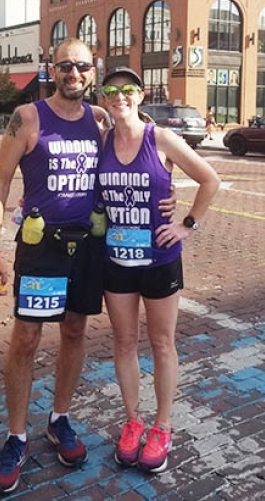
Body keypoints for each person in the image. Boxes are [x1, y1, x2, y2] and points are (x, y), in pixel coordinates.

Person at [0, 39, 174, 493]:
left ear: (93, 71)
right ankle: (16, 436)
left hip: (88, 245)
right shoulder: (27, 118)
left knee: (74, 331)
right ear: (52, 69)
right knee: (27, 337)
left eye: (82, 66)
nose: (74, 73)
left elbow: (144, 149)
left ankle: (59, 418)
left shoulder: (101, 119)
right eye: (65, 65)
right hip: (42, 246)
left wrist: (169, 197)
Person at [97, 67, 220, 473]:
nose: (120, 97)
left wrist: (186, 224)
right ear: (104, 98)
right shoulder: (101, 142)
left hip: (160, 259)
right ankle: (133, 422)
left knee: (162, 343)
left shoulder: (161, 139)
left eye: (128, 90)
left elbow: (210, 179)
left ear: (141, 95)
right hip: (116, 261)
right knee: (124, 343)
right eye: (112, 91)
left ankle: (162, 426)